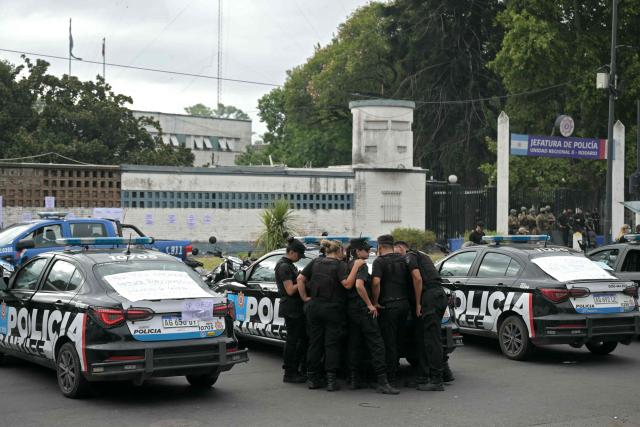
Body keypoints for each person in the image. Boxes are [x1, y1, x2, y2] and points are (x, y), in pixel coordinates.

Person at [297, 239, 362, 391]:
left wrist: (305, 298)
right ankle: (331, 380)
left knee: (315, 342)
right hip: (333, 309)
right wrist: (356, 267)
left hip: (315, 307)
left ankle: (313, 378)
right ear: (339, 251)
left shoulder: (316, 262)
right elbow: (347, 284)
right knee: (331, 344)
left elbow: (300, 279)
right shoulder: (340, 265)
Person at [394, 241, 452, 390]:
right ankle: (427, 375)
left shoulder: (409, 256)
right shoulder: (422, 256)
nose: (396, 256)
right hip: (437, 295)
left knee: (431, 340)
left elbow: (418, 278)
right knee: (425, 337)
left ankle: (436, 380)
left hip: (429, 297)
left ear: (401, 248)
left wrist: (419, 302)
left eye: (396, 251)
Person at [346, 238, 399, 394]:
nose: (369, 252)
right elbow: (358, 285)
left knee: (354, 344)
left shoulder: (348, 265)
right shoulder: (361, 264)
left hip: (351, 310)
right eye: (366, 250)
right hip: (363, 310)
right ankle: (383, 381)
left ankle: (354, 379)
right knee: (377, 345)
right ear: (357, 251)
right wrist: (370, 304)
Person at [371, 234, 411, 386]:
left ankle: (391, 377)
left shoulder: (379, 261)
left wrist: (375, 302)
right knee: (399, 339)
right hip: (404, 305)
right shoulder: (403, 259)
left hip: (388, 306)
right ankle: (397, 370)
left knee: (389, 342)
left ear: (380, 247)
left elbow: (375, 283)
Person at [275, 237, 308, 383]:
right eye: (299, 255)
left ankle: (294, 369)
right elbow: (289, 290)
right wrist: (303, 281)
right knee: (292, 340)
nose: (300, 258)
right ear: (292, 252)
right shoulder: (284, 267)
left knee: (298, 339)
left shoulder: (289, 265)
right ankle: (289, 372)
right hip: (291, 307)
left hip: (295, 307)